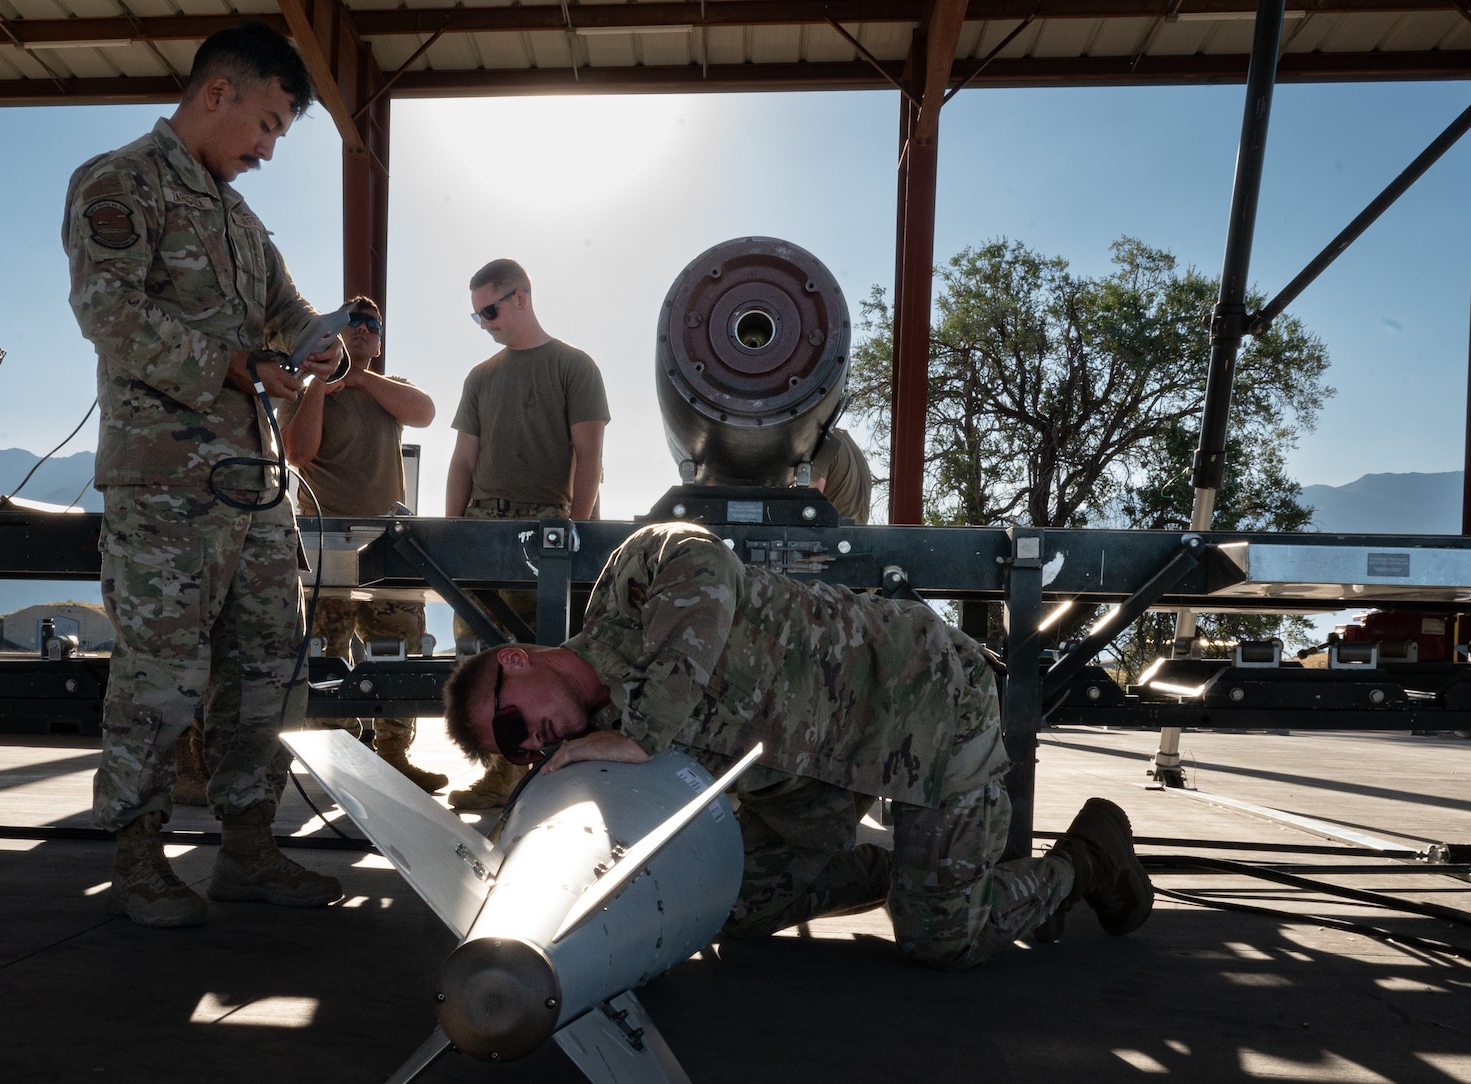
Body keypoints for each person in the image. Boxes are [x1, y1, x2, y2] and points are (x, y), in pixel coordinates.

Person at [438, 521, 1152, 970]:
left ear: (516, 661)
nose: (531, 742)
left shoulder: (630, 588)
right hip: (821, 793)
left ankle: (1085, 860)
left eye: (512, 724)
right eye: (518, 752)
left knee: (943, 941)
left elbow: (705, 565)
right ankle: (896, 869)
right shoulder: (603, 740)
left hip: (924, 708)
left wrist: (640, 735)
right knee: (726, 906)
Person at [63, 21, 344, 927]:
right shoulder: (119, 182)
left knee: (268, 664)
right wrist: (235, 364)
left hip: (255, 484)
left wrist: (332, 344)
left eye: (279, 134)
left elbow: (289, 314)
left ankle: (250, 848)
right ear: (218, 92)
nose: (267, 149)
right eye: (265, 124)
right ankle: (139, 858)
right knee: (162, 670)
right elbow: (111, 314)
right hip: (167, 483)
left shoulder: (239, 218)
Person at [442, 258, 610, 810]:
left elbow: (588, 455)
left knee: (550, 656)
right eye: (475, 317)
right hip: (486, 527)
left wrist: (575, 535)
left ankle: (568, 776)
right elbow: (463, 460)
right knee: (488, 661)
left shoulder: (574, 366)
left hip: (548, 528)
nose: (486, 322)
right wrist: (453, 536)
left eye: (490, 310)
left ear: (522, 297)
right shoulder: (480, 377)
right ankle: (502, 774)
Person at [279, 296, 447, 793]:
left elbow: (425, 413)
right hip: (325, 544)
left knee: (397, 651)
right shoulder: (305, 389)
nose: (361, 330)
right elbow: (296, 452)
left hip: (388, 544)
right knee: (326, 654)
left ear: (379, 341)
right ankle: (341, 761)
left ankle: (394, 756)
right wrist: (321, 388)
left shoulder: (389, 389)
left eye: (371, 325)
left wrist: (359, 379)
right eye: (351, 322)